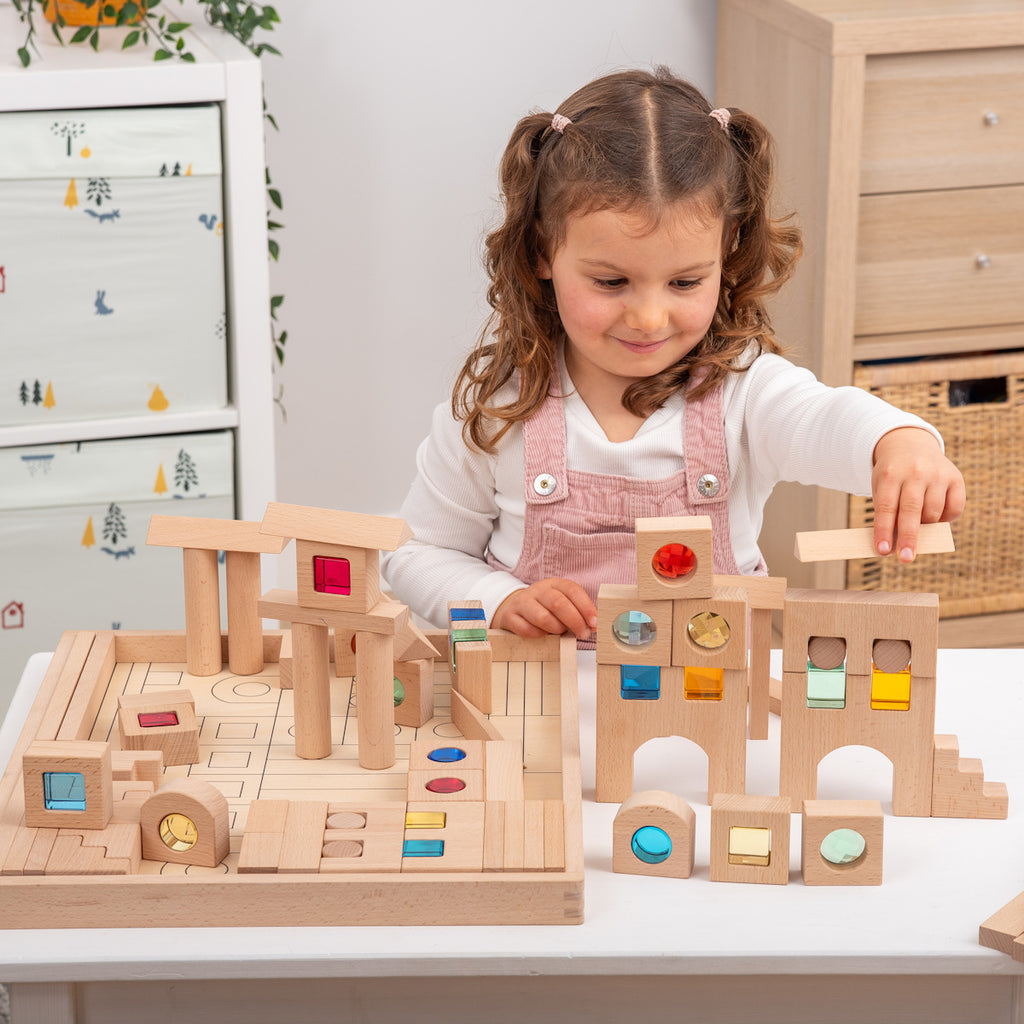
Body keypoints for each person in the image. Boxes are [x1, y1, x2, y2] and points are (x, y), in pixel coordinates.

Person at [382, 68, 964, 642]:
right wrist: (499, 600)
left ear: (727, 251)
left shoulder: (743, 392)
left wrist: (899, 442)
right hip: (548, 695)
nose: (649, 317)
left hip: (709, 693)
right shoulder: (497, 409)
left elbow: (823, 419)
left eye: (685, 283)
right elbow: (417, 553)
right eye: (611, 282)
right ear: (541, 252)